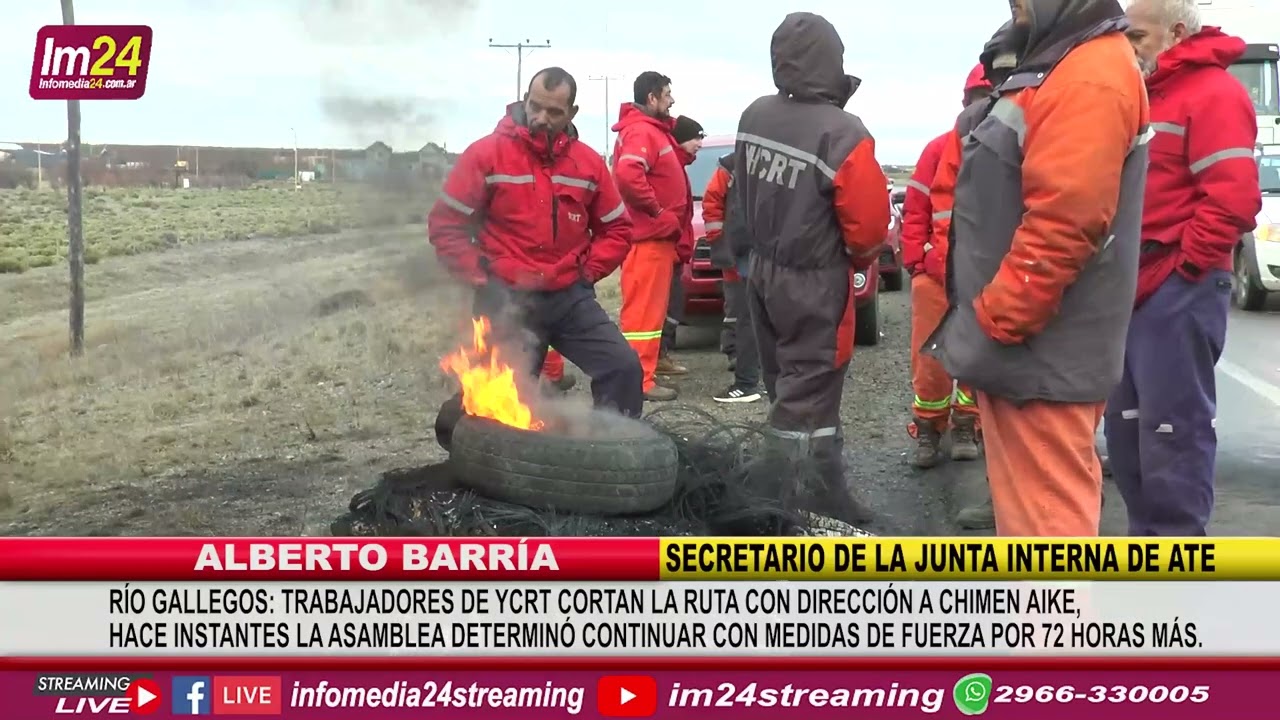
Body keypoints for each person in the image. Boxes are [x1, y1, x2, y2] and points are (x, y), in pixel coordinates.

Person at [925, 0, 1151, 537]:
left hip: (1039, 355)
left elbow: (1064, 222)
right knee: (1031, 524)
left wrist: (994, 322)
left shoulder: (1088, 76)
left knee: (1046, 532)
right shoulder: (1067, 63)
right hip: (1031, 352)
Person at [1106, 0, 1261, 536]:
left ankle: (1179, 565)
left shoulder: (1214, 94)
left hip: (1178, 284)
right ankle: (1147, 549)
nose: (1128, 48)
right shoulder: (1143, 96)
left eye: (1138, 38)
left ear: (1175, 33)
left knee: (1173, 431)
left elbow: (1235, 199)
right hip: (1134, 285)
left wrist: (1188, 263)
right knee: (1126, 432)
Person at [428, 67, 642, 442]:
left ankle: (612, 456)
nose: (541, 118)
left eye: (554, 112)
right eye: (535, 106)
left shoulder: (588, 164)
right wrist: (481, 277)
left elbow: (618, 229)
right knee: (498, 400)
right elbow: (445, 225)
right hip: (506, 299)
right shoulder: (486, 154)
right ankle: (477, 461)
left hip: (569, 297)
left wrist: (587, 271)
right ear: (524, 100)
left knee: (623, 369)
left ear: (572, 113)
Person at [734, 12, 890, 521]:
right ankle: (767, 503)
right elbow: (867, 231)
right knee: (807, 390)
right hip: (813, 282)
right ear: (832, 62)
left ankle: (824, 487)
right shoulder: (843, 132)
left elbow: (738, 197)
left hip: (762, 271)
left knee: (792, 384)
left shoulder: (753, 116)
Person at [926, 25, 1020, 531]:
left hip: (1025, 281)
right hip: (983, 281)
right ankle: (1006, 499)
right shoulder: (962, 134)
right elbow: (941, 203)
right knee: (993, 391)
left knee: (1033, 406)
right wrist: (941, 263)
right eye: (990, 84)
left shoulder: (1053, 111)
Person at [901, 64, 992, 469]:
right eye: (979, 97)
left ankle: (966, 425)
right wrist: (916, 262)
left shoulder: (1009, 147)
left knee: (977, 357)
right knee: (930, 360)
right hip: (936, 278)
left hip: (983, 279)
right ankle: (928, 428)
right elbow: (915, 210)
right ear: (965, 101)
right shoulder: (937, 150)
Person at [613, 71, 689, 403]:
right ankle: (638, 382)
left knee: (650, 315)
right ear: (652, 98)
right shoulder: (642, 131)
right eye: (667, 94)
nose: (672, 100)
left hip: (657, 241)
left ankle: (643, 374)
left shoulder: (653, 132)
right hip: (648, 241)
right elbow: (629, 174)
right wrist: (659, 212)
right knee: (642, 316)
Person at [703, 150, 762, 403]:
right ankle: (759, 380)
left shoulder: (733, 163)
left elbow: (712, 203)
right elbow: (712, 203)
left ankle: (747, 383)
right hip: (750, 256)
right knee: (750, 317)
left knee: (749, 319)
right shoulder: (733, 164)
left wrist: (722, 242)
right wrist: (722, 243)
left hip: (751, 255)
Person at [657, 115, 706, 377]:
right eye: (696, 137)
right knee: (662, 307)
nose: (699, 143)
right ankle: (653, 358)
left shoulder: (679, 165)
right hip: (668, 249)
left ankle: (660, 354)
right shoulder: (670, 165)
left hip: (677, 249)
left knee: (672, 306)